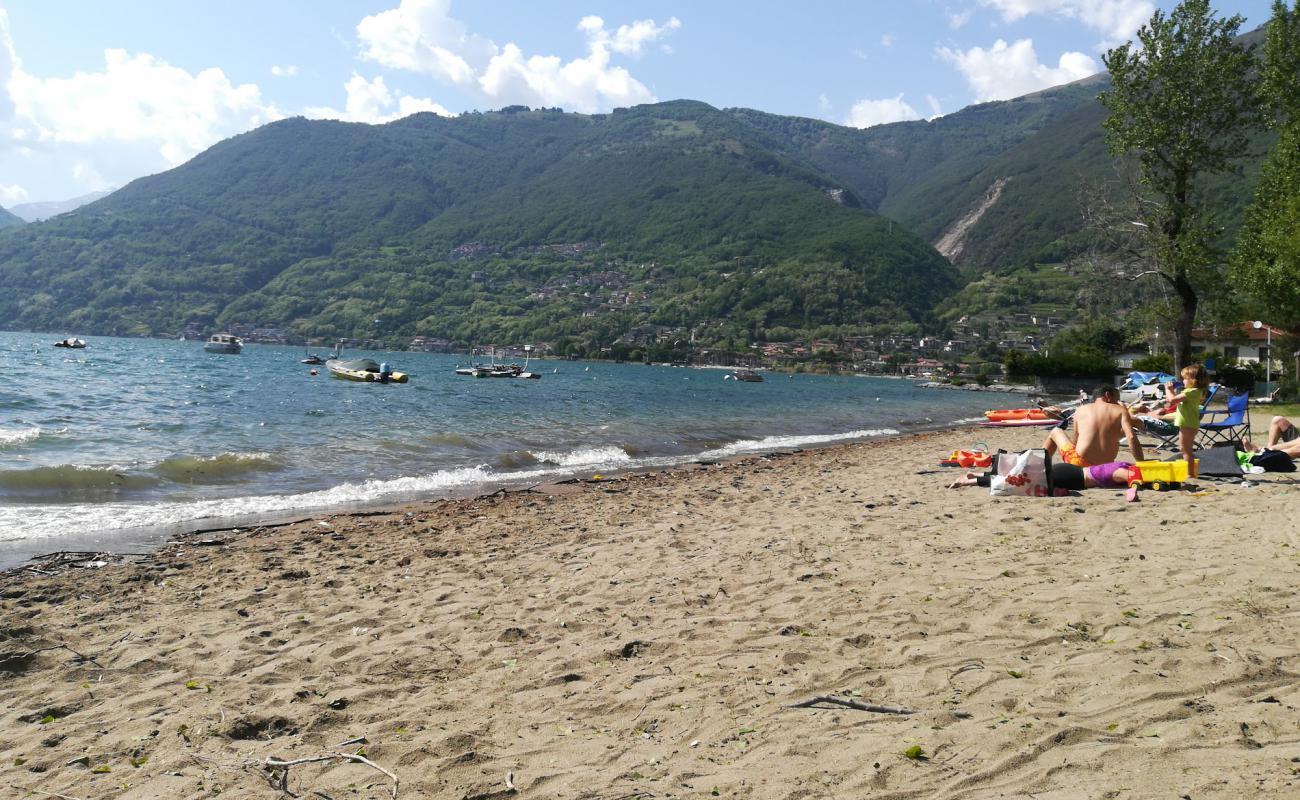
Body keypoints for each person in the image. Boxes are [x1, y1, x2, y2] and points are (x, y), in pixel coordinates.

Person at [1042, 384, 1144, 467]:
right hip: (1105, 467)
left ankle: (1041, 466)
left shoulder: (1080, 410)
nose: (1117, 403)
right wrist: (1142, 463)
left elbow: (1076, 441)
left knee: (1056, 431)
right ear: (1108, 395)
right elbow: (1131, 437)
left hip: (1079, 464)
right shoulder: (1120, 410)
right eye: (1116, 399)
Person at [948, 461, 1135, 490]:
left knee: (1021, 476)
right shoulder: (1123, 470)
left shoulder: (1123, 464)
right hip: (1072, 478)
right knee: (1020, 481)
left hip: (1071, 472)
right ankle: (970, 481)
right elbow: (1130, 477)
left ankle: (978, 474)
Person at [1160, 364, 1207, 478]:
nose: (1183, 381)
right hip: (1187, 423)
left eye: (1185, 378)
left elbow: (1172, 400)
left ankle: (1190, 473)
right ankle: (1190, 471)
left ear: (1193, 380)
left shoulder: (1192, 392)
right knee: (1184, 448)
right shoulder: (1191, 392)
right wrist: (1171, 393)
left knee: (1186, 449)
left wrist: (1168, 389)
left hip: (1188, 424)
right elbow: (1175, 400)